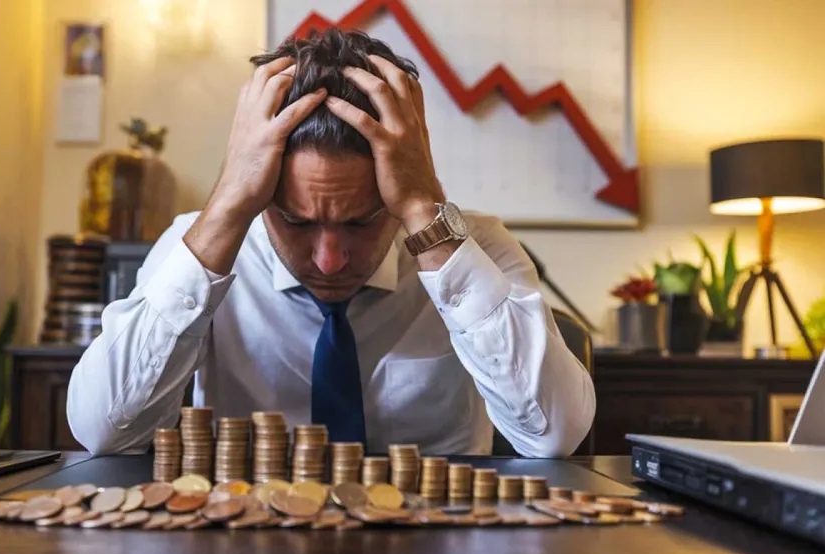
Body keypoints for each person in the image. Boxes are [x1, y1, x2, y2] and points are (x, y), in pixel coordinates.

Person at [67, 28, 595, 458]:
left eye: (363, 222)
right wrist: (226, 205)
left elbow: (553, 436)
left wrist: (422, 211)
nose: (330, 260)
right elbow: (104, 431)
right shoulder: (203, 240)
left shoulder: (475, 244)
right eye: (296, 223)